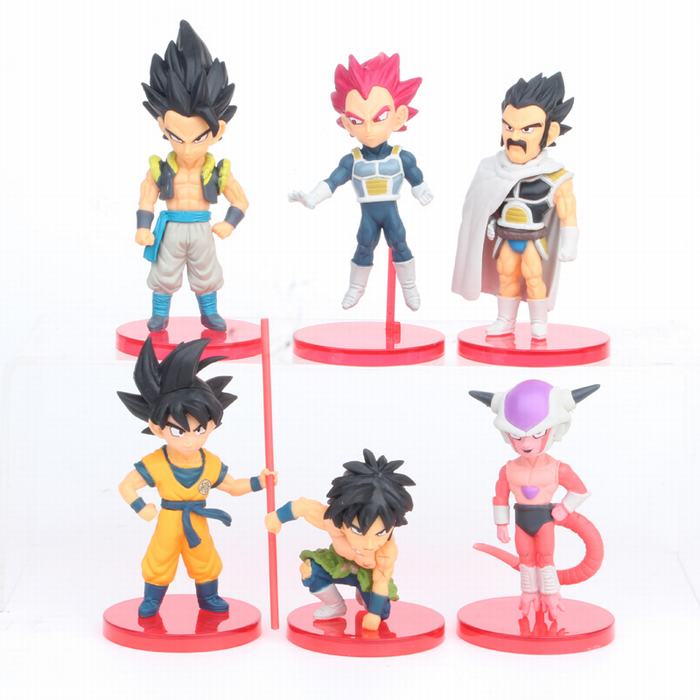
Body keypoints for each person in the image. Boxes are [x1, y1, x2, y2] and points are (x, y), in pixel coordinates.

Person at [117, 337, 275, 618]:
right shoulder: (156, 462)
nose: (190, 439)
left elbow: (232, 486)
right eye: (179, 431)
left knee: (205, 559)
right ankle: (152, 599)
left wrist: (259, 482)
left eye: (199, 429)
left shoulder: (209, 463)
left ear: (212, 425)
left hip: (198, 520)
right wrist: (141, 507)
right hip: (168, 520)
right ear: (157, 428)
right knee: (159, 558)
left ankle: (209, 596)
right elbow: (127, 485)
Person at [136, 20, 249, 332]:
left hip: (201, 227)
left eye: (198, 138)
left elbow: (240, 200)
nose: (187, 147)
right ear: (163, 126)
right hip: (171, 228)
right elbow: (146, 198)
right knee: (164, 273)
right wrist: (143, 228)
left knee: (206, 273)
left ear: (218, 131)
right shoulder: (160, 169)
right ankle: (160, 315)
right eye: (178, 137)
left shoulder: (218, 170)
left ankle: (209, 312)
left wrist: (229, 223)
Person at [265, 448, 415, 631]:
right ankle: (335, 605)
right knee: (310, 570)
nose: (369, 544)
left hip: (369, 576)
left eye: (381, 533)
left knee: (381, 612)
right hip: (341, 564)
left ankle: (363, 595)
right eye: (358, 531)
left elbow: (381, 580)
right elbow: (304, 507)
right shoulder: (334, 522)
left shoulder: (385, 552)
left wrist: (374, 615)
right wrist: (277, 517)